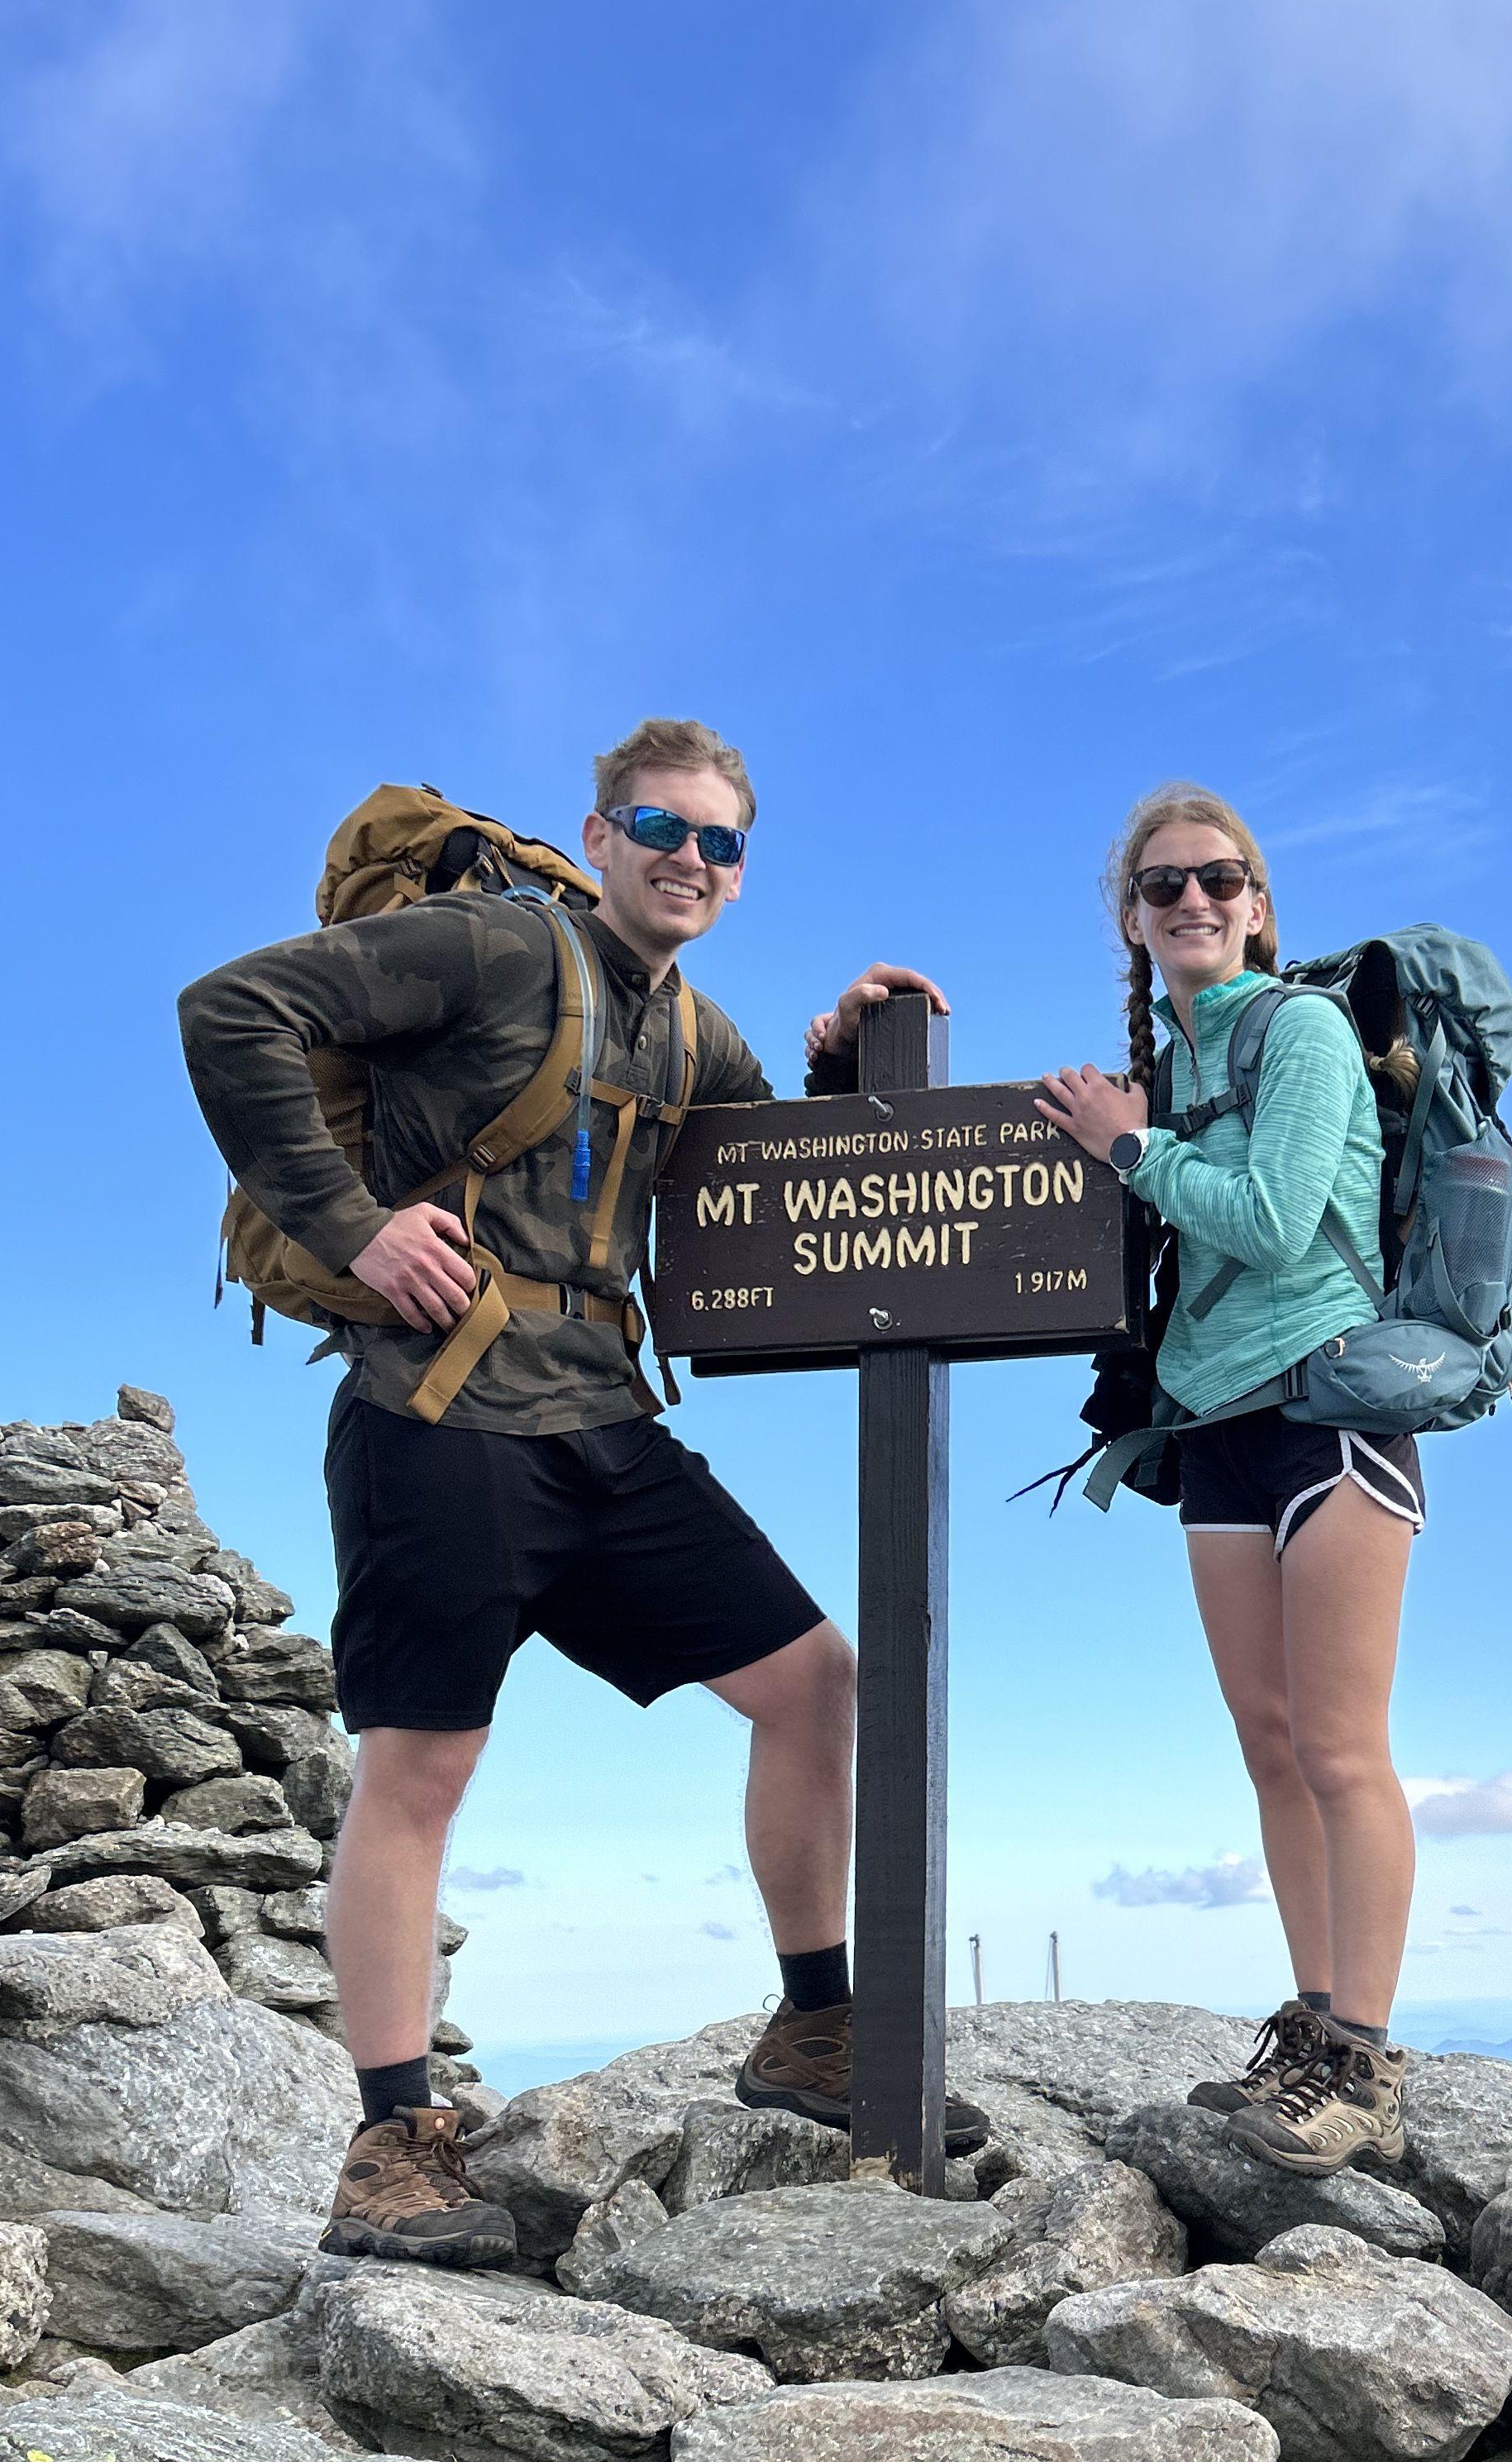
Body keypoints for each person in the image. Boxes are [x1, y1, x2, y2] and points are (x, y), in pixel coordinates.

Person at [183, 715, 984, 2269]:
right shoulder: (491, 947)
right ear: (602, 833)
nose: (690, 858)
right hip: (438, 1416)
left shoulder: (694, 1033)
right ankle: (395, 2139)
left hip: (605, 1425)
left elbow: (778, 1167)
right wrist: (353, 1230)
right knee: (420, 1774)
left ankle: (814, 2028)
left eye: (720, 842)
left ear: (742, 873)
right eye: (660, 827)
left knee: (817, 1684)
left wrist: (843, 1052)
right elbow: (233, 1010)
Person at [1033, 783, 1419, 2176]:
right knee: (1266, 1741)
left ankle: (1364, 2060)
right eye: (1162, 888)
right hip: (1213, 1425)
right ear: (1131, 922)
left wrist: (1130, 1149)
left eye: (1217, 880)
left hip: (1328, 1414)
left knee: (1337, 1747)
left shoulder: (1303, 1030)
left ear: (1257, 902)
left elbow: (1265, 1222)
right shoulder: (1174, 1065)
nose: (1191, 902)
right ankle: (1313, 2029)